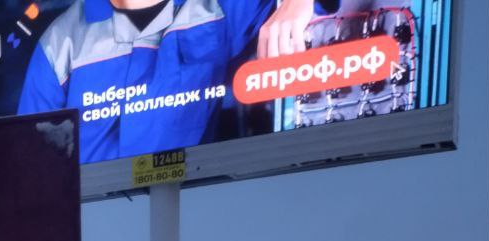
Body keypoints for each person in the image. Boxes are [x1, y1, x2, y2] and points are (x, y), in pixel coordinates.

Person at [17, 0, 323, 164]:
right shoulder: (60, 45)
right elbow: (29, 171)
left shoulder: (215, 7)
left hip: (195, 222)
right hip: (94, 237)